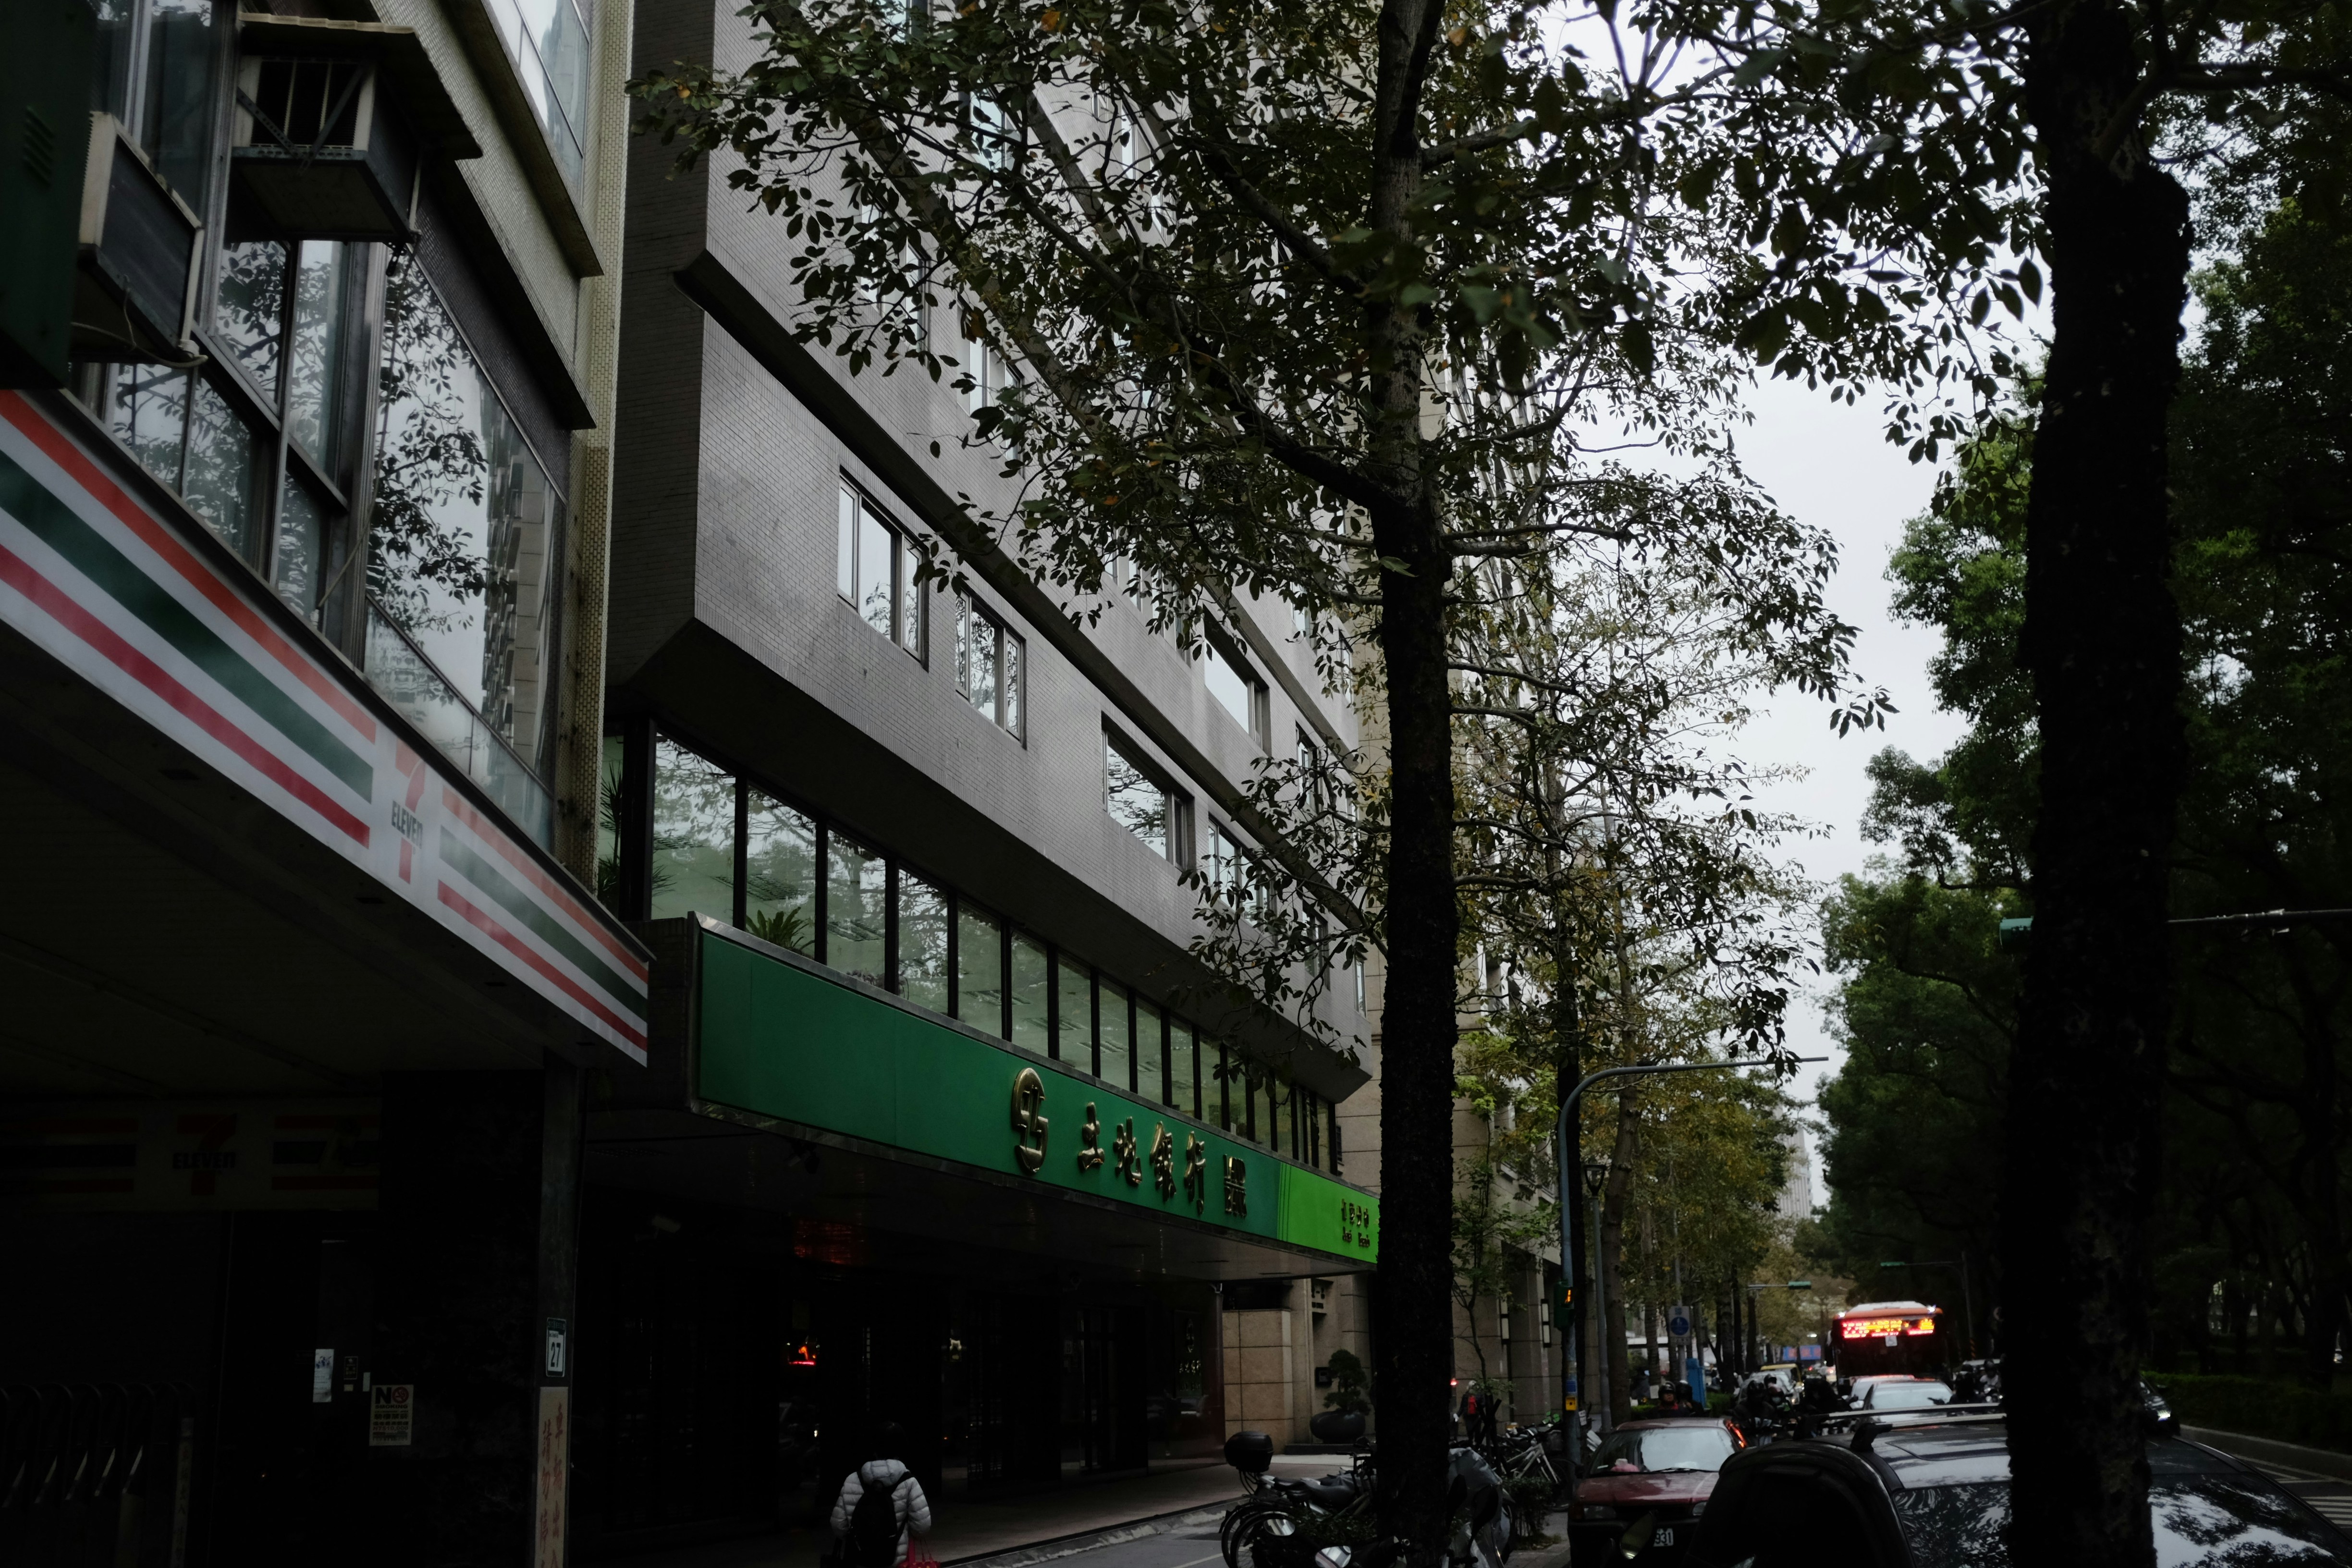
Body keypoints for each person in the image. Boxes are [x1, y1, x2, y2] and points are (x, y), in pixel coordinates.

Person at [831, 1422, 933, 1568]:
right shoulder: (909, 1482)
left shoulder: (852, 1480)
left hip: (859, 1559)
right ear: (900, 1450)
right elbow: (922, 1527)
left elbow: (838, 1526)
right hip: (894, 1561)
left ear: (874, 1450)